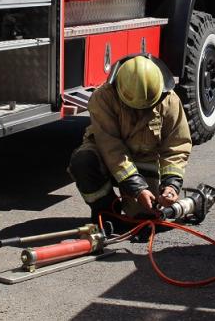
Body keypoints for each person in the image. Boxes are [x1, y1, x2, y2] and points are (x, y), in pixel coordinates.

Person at [68, 54, 192, 224]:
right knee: (83, 162)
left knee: (147, 219)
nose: (140, 112)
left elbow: (177, 145)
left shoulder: (169, 100)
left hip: (145, 161)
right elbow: (111, 147)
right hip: (109, 158)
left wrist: (171, 184)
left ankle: (137, 210)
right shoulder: (103, 97)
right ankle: (107, 212)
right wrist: (136, 187)